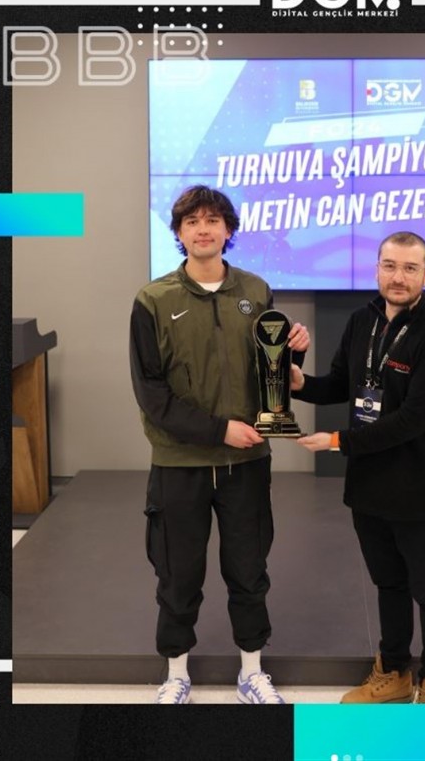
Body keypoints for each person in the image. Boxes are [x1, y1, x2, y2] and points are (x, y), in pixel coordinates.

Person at [130, 185, 309, 705]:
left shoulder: (255, 289)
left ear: (228, 230)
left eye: (212, 220)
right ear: (179, 233)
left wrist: (293, 358)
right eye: (192, 221)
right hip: (179, 464)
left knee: (249, 570)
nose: (203, 229)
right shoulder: (153, 300)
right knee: (177, 574)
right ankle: (176, 674)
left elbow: (270, 373)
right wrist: (217, 430)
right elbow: (151, 394)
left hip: (245, 462)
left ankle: (252, 672)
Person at [291, 231, 425, 704]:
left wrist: (337, 441)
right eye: (390, 266)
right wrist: (298, 382)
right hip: (369, 485)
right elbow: (339, 386)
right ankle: (394, 672)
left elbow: (412, 421)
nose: (398, 277)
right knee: (388, 583)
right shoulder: (361, 321)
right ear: (376, 270)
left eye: (410, 268)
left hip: (418, 485)